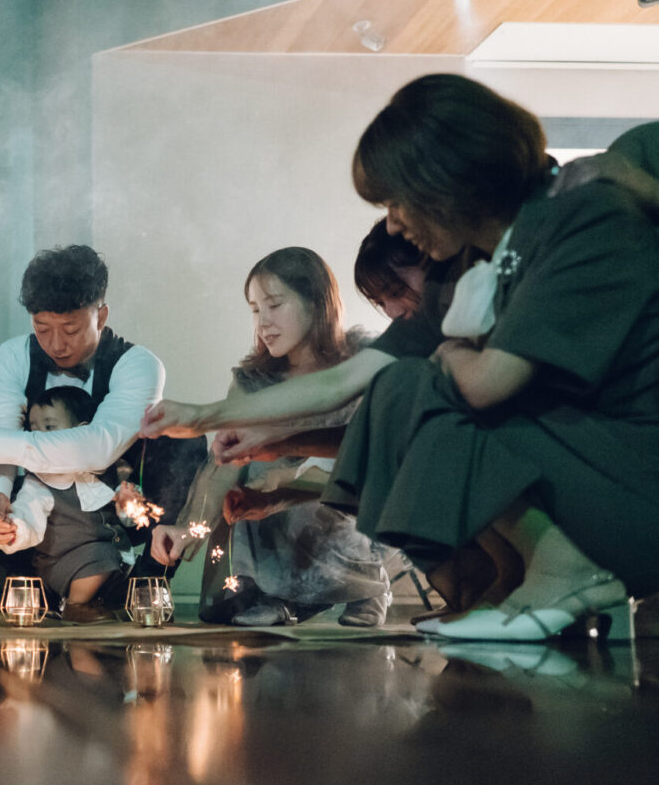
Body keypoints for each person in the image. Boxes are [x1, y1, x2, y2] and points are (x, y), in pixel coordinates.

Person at [320, 73, 659, 640]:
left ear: (447, 183)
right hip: (597, 458)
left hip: (631, 478)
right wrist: (213, 416)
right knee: (404, 389)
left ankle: (563, 570)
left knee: (423, 389)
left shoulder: (585, 217)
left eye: (399, 202)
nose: (394, 223)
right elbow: (358, 377)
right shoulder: (491, 258)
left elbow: (488, 383)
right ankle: (510, 578)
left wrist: (451, 353)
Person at [150, 248, 392, 627]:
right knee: (244, 487)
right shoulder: (254, 380)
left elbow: (378, 454)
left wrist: (289, 475)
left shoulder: (361, 358)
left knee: (279, 474)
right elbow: (223, 466)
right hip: (273, 518)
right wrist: (189, 528)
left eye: (275, 305)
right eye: (254, 309)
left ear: (316, 303)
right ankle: (275, 596)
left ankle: (366, 586)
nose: (263, 322)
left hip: (351, 507)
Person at [0, 245, 204, 612]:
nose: (56, 345)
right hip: (39, 506)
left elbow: (98, 447)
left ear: (101, 316)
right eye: (42, 329)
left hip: (118, 511)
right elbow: (0, 437)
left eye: (70, 329)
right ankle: (35, 583)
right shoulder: (14, 356)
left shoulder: (138, 364)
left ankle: (143, 584)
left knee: (184, 442)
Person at [0, 387, 129, 621]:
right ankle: (75, 604)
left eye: (49, 428)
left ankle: (103, 603)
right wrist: (15, 527)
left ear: (82, 433)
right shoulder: (40, 481)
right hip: (62, 561)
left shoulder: (109, 468)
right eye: (33, 430)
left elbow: (129, 519)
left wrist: (129, 503)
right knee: (100, 556)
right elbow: (27, 509)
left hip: (112, 553)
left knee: (120, 566)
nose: (39, 438)